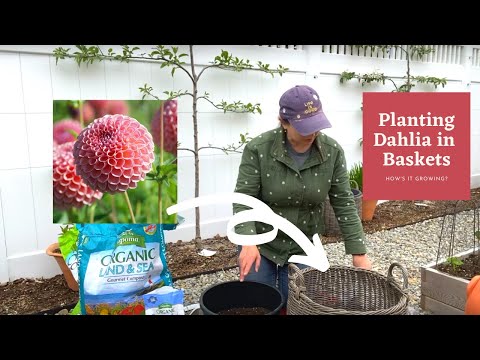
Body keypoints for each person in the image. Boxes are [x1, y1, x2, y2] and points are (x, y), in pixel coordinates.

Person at [233, 84, 372, 309]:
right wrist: (247, 242)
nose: (312, 133)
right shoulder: (258, 148)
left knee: (302, 303)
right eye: (304, 127)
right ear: (284, 122)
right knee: (258, 302)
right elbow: (244, 197)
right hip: (260, 241)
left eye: (316, 125)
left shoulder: (332, 151)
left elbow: (344, 202)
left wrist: (359, 252)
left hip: (304, 243)